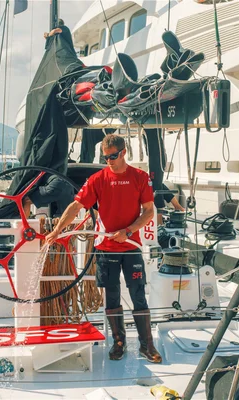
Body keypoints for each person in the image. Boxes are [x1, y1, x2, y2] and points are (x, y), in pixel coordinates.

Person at [46, 134, 162, 363]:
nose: (109, 160)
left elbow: (149, 211)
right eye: (106, 157)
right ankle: (118, 343)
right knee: (112, 296)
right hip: (106, 248)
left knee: (139, 295)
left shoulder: (140, 177)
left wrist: (128, 231)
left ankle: (146, 345)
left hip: (131, 246)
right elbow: (75, 206)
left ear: (124, 152)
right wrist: (58, 229)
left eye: (113, 156)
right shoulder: (98, 179)